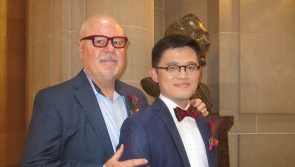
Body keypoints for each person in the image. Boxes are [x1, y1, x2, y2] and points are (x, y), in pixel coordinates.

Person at [22, 15, 209, 167]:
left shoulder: (137, 97)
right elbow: (35, 163)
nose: (110, 49)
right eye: (100, 41)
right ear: (81, 49)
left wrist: (184, 107)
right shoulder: (54, 100)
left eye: (118, 42)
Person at [119, 35, 217, 167]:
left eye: (191, 67)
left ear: (200, 72)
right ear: (154, 75)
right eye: (172, 67)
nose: (183, 75)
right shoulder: (138, 126)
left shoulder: (205, 121)